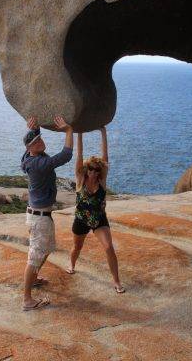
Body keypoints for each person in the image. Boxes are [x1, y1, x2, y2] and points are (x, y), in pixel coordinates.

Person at [20, 115, 73, 311]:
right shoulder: (39, 164)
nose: (40, 141)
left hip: (39, 216)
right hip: (39, 218)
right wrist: (68, 131)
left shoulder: (28, 158)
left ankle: (33, 279)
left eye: (40, 139)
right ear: (30, 149)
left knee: (47, 248)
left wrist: (34, 128)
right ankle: (27, 300)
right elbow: (65, 155)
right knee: (34, 256)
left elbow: (32, 141)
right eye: (36, 142)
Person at [67, 126, 125, 293]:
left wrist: (103, 132)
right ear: (87, 169)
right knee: (77, 247)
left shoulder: (102, 182)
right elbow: (79, 155)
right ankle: (71, 265)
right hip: (81, 220)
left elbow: (106, 158)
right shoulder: (80, 180)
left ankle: (117, 281)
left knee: (108, 247)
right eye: (90, 169)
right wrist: (79, 133)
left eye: (96, 170)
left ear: (99, 172)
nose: (93, 172)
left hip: (99, 220)